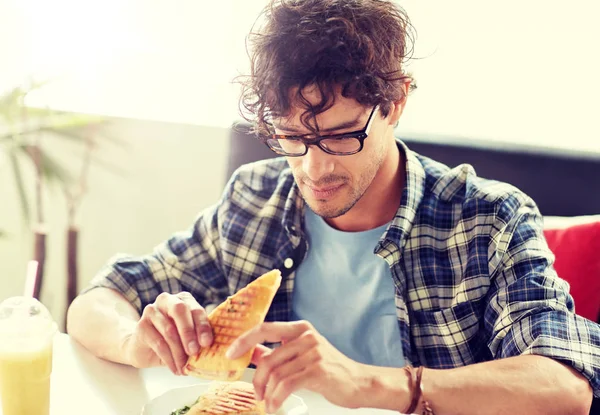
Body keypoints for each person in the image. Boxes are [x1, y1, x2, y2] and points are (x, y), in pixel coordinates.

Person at [67, 0, 600, 413]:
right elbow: (100, 299)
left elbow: (566, 386)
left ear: (395, 104)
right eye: (292, 137)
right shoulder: (255, 197)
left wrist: (364, 382)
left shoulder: (488, 220)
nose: (314, 170)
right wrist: (137, 341)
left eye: (342, 136)